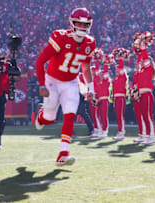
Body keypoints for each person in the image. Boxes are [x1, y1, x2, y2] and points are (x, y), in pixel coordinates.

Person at [35, 8, 96, 166]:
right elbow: (40, 60)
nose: (82, 27)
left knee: (70, 114)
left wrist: (91, 89)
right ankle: (41, 116)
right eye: (78, 23)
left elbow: (86, 67)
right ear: (72, 23)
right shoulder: (61, 37)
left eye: (85, 24)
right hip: (53, 81)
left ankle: (63, 153)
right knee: (49, 119)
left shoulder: (90, 42)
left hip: (71, 82)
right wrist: (41, 84)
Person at [134, 32, 155, 145]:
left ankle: (152, 137)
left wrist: (143, 47)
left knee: (148, 116)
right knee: (144, 116)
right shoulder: (142, 71)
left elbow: (145, 57)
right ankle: (147, 135)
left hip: (147, 95)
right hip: (141, 94)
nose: (142, 62)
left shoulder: (148, 70)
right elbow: (139, 63)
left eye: (144, 61)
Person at [112, 48, 129, 141]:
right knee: (118, 115)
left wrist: (120, 58)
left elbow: (122, 66)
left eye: (117, 69)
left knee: (120, 115)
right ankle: (120, 131)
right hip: (116, 98)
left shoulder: (122, 76)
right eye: (116, 69)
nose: (116, 70)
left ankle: (121, 132)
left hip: (121, 98)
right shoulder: (116, 78)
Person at [95, 54, 112, 139]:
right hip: (99, 100)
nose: (101, 75)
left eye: (102, 74)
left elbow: (105, 71)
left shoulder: (106, 82)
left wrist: (106, 63)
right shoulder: (98, 83)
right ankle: (101, 130)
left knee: (104, 116)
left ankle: (105, 131)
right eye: (100, 74)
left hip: (105, 100)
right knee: (99, 116)